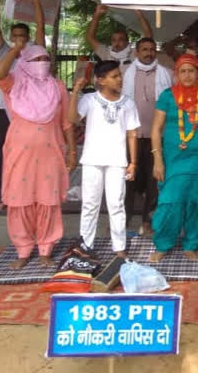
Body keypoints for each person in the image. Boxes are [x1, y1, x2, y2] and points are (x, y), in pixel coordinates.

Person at [0, 44, 77, 269]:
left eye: (45, 58)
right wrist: (14, 50)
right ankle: (23, 250)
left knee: (48, 202)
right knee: (20, 202)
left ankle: (45, 249)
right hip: (19, 153)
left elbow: (67, 123)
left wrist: (72, 150)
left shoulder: (57, 86)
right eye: (36, 59)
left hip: (51, 153)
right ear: (25, 62)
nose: (42, 63)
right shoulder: (15, 83)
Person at [148, 54, 198, 261]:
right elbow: (155, 129)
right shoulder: (167, 95)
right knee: (169, 201)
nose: (187, 75)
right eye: (183, 71)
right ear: (177, 74)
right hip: (173, 160)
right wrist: (157, 160)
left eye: (191, 70)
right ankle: (163, 244)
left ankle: (191, 244)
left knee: (197, 201)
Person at [69, 61, 140, 259]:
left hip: (117, 161)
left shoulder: (128, 103)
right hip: (92, 159)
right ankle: (86, 245)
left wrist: (133, 162)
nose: (120, 79)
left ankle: (119, 247)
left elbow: (132, 134)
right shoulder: (90, 100)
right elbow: (73, 119)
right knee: (90, 204)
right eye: (114, 76)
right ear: (101, 80)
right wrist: (75, 92)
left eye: (119, 75)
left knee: (116, 204)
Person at [0, 0, 45, 203]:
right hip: (6, 110)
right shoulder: (5, 52)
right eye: (16, 37)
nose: (19, 40)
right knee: (4, 151)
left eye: (23, 36)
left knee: (31, 153)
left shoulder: (34, 51)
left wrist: (35, 0)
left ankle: (31, 192)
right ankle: (3, 193)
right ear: (11, 38)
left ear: (28, 38)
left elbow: (41, 27)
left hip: (30, 112)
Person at [120, 31, 173, 236]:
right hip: (131, 136)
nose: (148, 53)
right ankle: (123, 220)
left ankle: (148, 220)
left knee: (154, 180)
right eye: (144, 50)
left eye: (152, 50)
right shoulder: (125, 72)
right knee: (128, 179)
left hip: (157, 137)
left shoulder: (166, 73)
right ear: (136, 52)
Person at [86, 5, 152, 67]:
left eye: (121, 39)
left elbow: (148, 36)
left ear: (127, 42)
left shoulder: (134, 53)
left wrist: (139, 13)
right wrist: (96, 15)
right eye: (114, 40)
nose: (117, 43)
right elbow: (90, 38)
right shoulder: (106, 53)